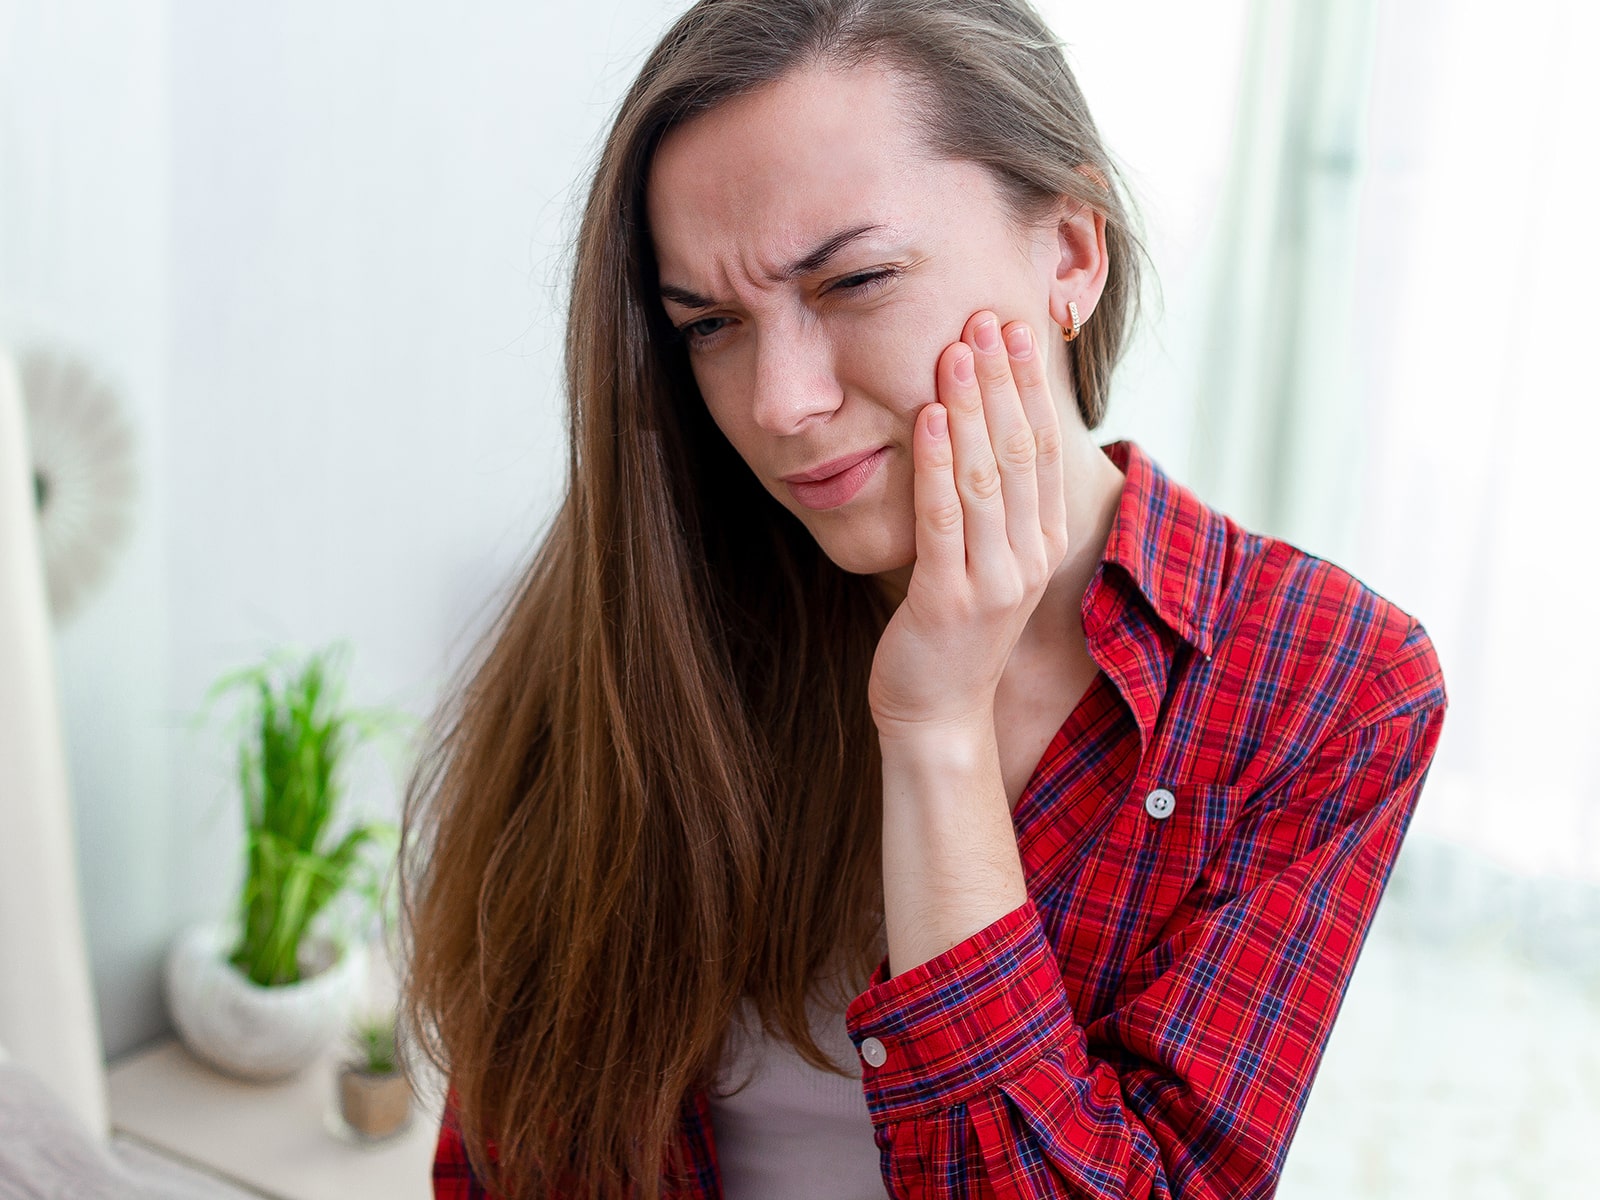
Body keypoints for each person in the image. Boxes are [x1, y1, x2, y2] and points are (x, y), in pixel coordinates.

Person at [400, 1, 1449, 1197]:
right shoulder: (660, 604)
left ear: (1070, 253)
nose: (779, 400)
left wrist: (937, 735)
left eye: (853, 280)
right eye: (710, 326)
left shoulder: (1326, 683)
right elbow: (507, 1151)